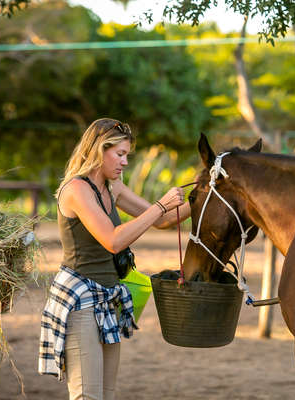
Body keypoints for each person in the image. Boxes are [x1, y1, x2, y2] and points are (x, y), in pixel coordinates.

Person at [39, 118, 190, 400]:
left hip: (108, 299)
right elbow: (114, 240)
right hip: (79, 301)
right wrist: (160, 205)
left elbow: (166, 219)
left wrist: (208, 193)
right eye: (120, 154)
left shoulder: (113, 187)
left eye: (126, 156)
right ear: (98, 150)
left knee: (106, 395)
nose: (124, 162)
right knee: (87, 396)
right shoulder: (76, 190)